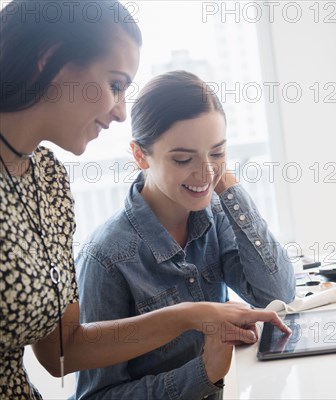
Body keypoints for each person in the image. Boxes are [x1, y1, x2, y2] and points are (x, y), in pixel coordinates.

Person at [0, 2, 290, 398]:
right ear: (49, 60)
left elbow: (60, 353)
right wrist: (198, 357)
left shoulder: (47, 178)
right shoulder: (107, 254)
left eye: (218, 152)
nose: (121, 112)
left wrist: (193, 316)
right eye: (115, 84)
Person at [73, 70, 296, 399]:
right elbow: (96, 396)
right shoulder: (106, 259)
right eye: (182, 158)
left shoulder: (215, 214)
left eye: (217, 152)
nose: (205, 172)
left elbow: (276, 293)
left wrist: (227, 186)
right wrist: (203, 373)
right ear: (139, 156)